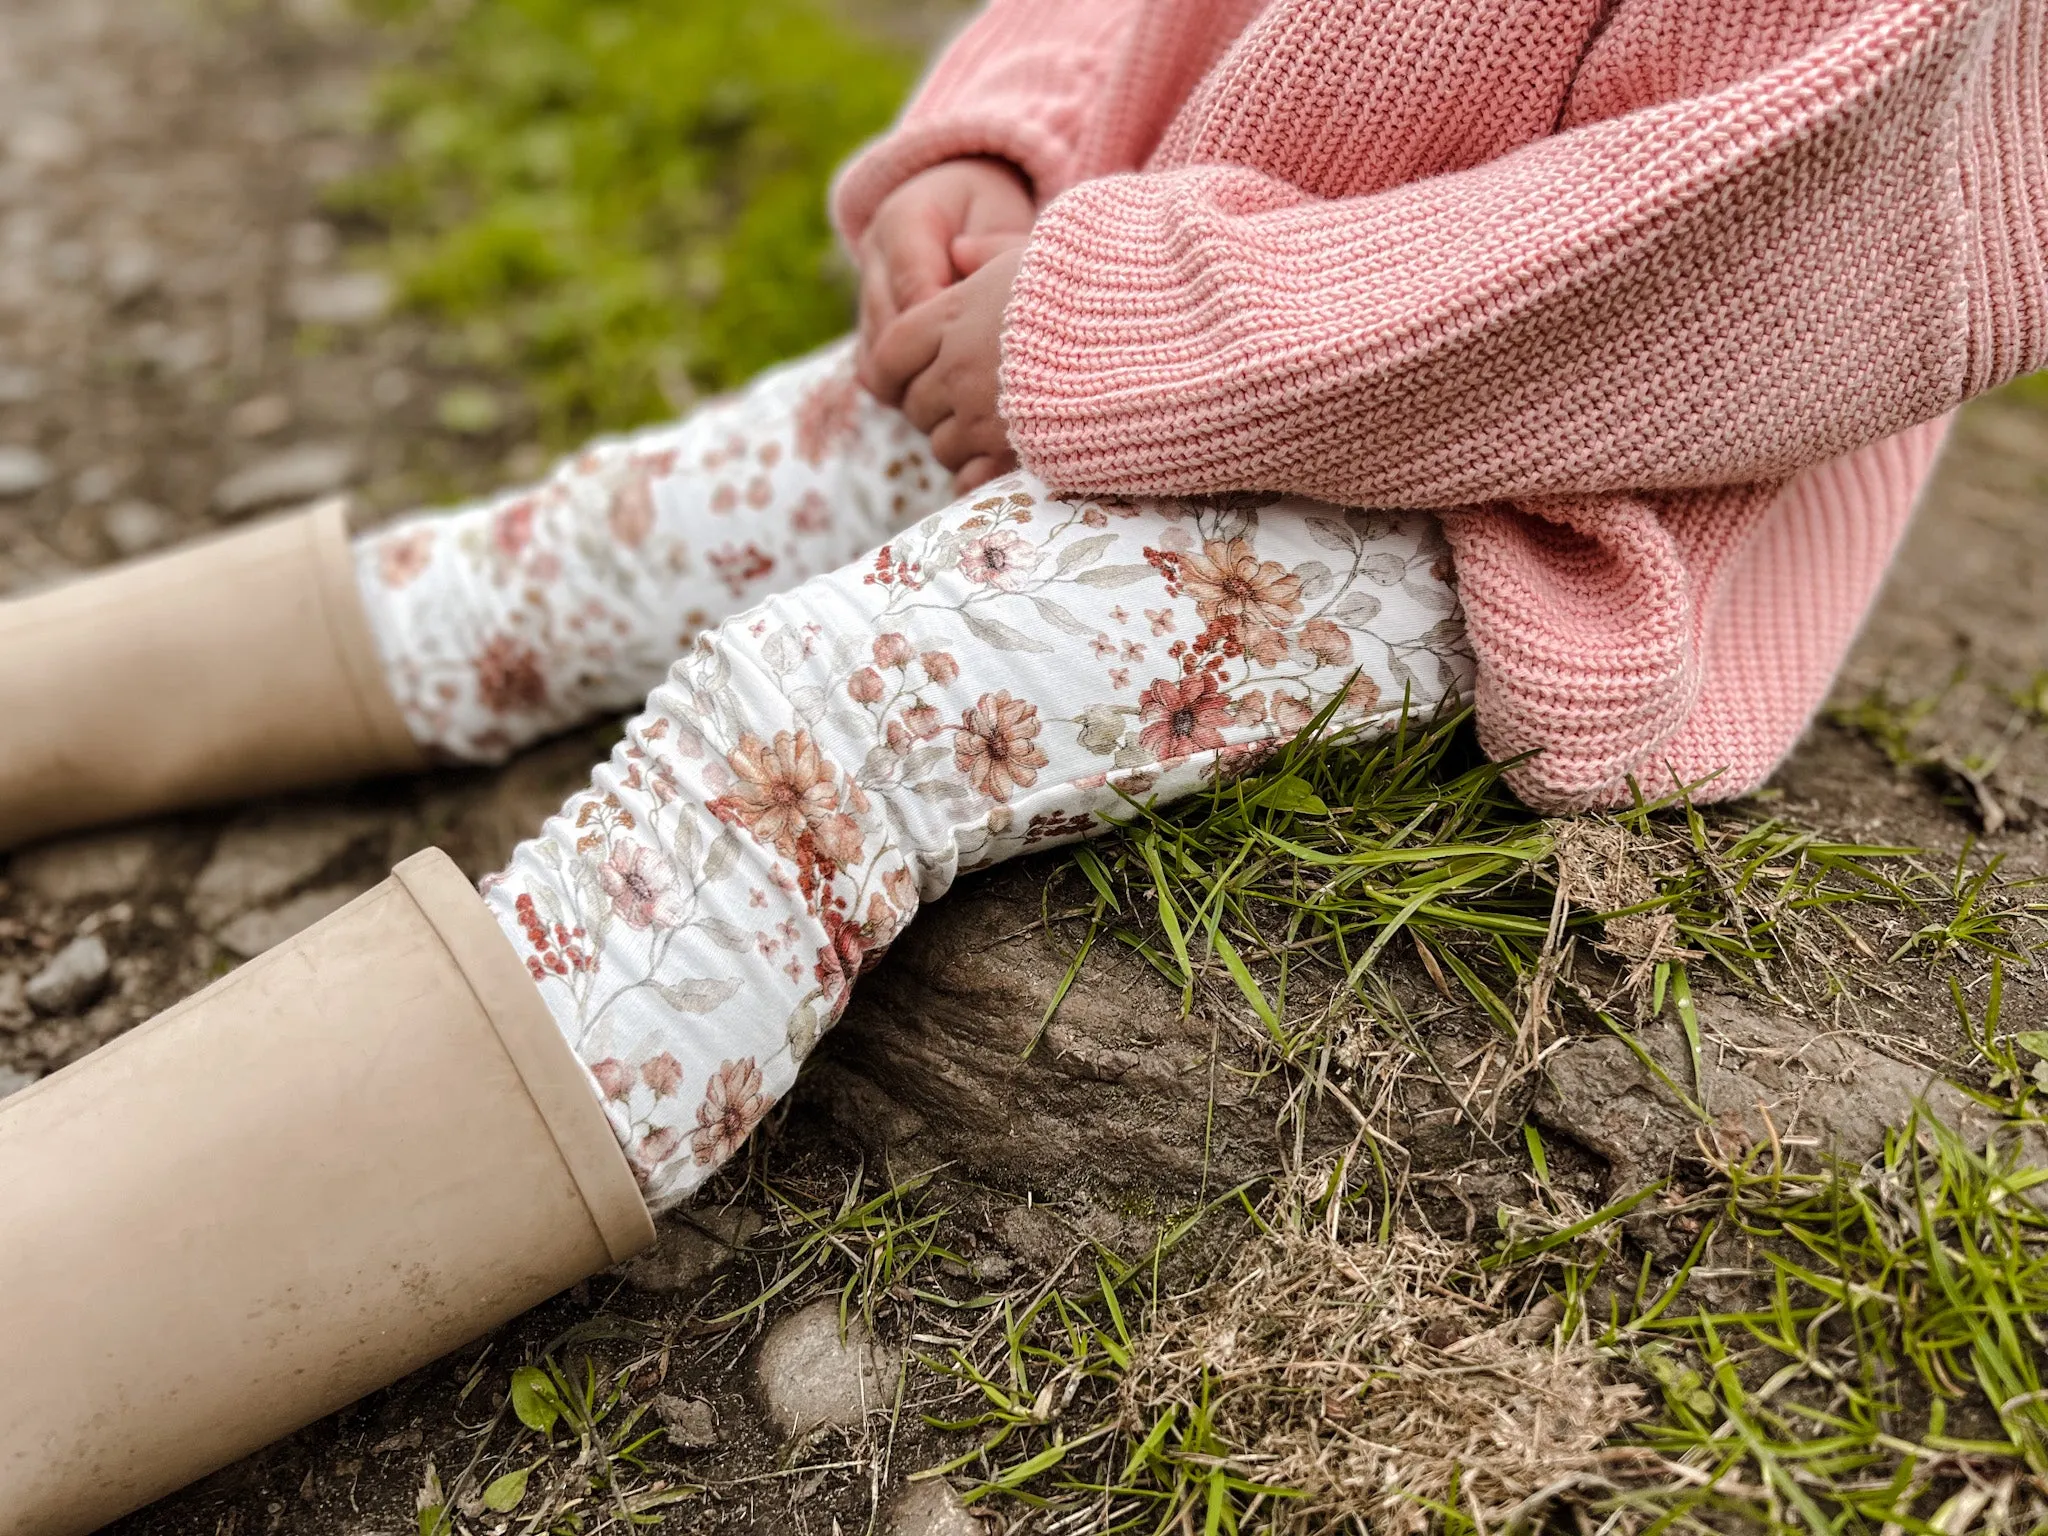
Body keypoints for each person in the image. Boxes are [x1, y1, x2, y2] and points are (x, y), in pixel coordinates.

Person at [1, 0, 2041, 1527]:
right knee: (615, 530)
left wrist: (1123, 317)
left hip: (1516, 456)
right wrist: (1004, 144)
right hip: (1142, 272)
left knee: (820, 724)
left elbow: (1751, 256)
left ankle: (48, 1337)